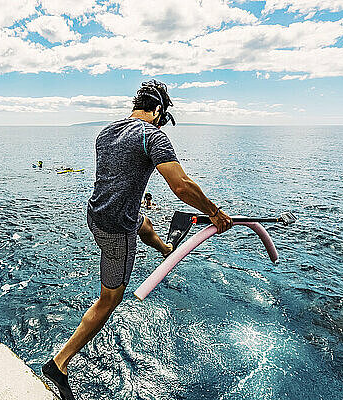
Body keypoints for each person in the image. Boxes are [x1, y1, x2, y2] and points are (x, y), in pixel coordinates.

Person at [42, 80, 232, 400]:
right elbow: (181, 186)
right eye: (162, 116)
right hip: (117, 231)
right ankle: (58, 365)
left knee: (142, 223)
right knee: (109, 300)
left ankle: (164, 248)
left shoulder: (105, 132)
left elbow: (120, 175)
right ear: (158, 110)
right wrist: (214, 212)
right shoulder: (152, 135)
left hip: (95, 215)